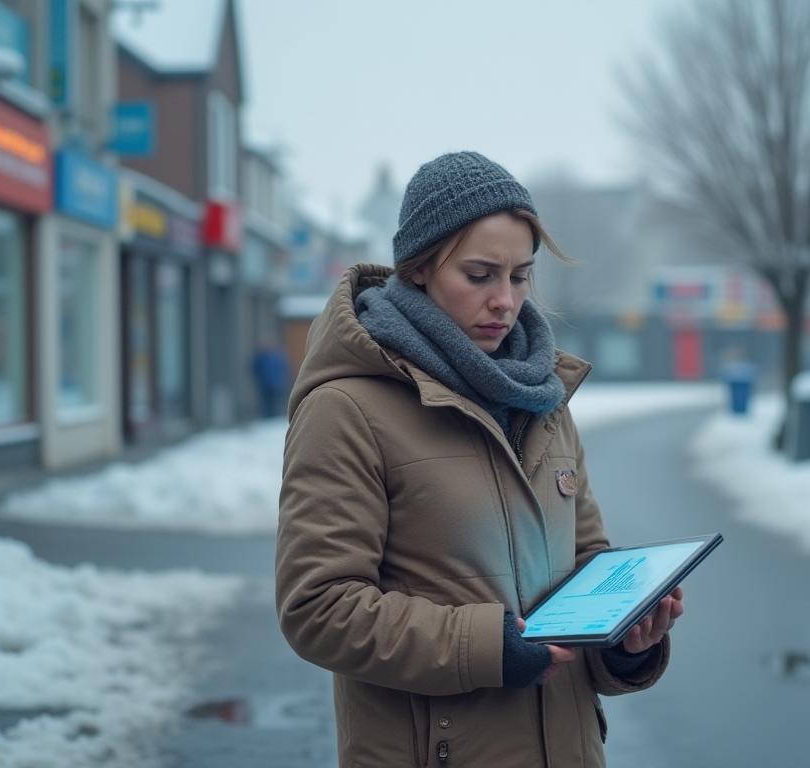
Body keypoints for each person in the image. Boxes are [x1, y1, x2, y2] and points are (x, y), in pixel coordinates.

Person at [275, 151, 683, 767]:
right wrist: (483, 647)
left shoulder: (541, 397)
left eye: (520, 276)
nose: (505, 301)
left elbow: (584, 566)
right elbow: (318, 607)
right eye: (479, 275)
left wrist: (623, 639)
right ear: (418, 270)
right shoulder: (347, 408)